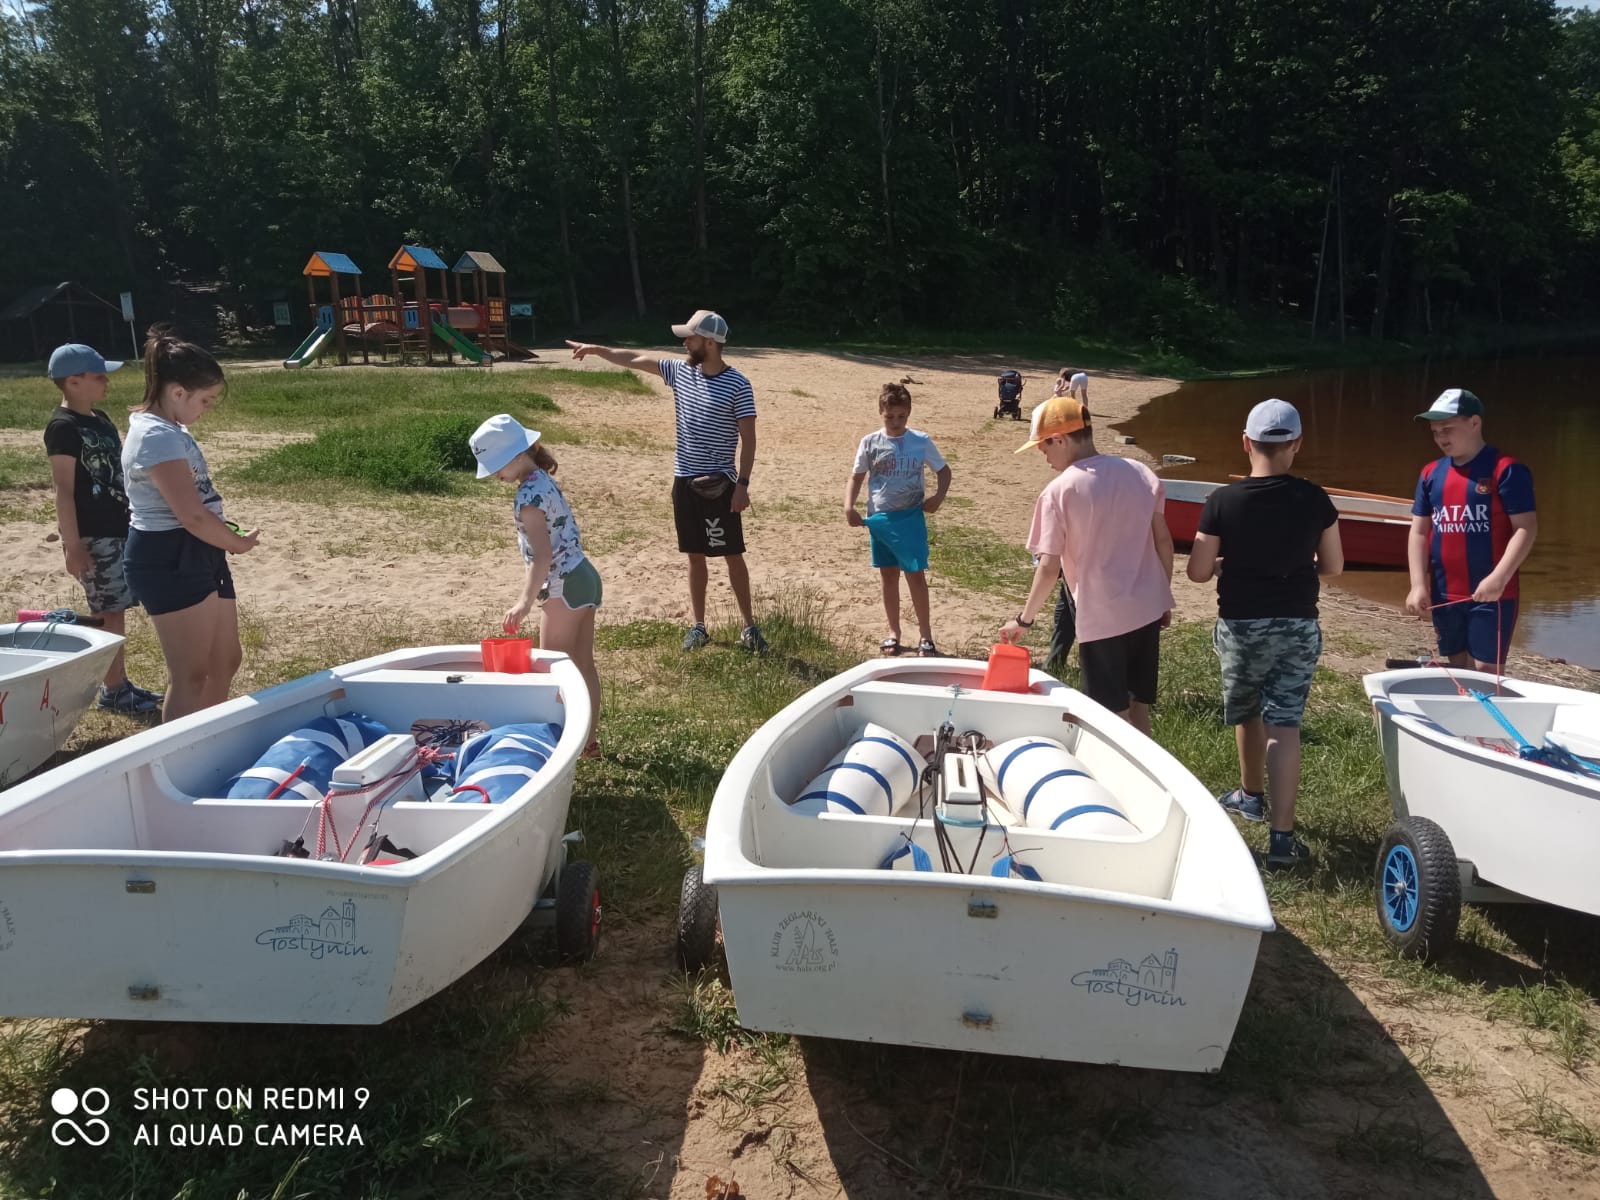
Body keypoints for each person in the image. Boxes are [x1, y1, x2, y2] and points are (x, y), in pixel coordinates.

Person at [1185, 399, 1343, 869]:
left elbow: (1196, 571)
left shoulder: (1221, 501)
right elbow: (1333, 566)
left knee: (1247, 712)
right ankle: (1281, 839)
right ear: (1296, 444)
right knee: (1285, 725)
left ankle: (1251, 796)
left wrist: (1221, 564)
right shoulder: (1315, 499)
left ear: (1245, 442)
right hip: (1296, 623)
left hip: (1241, 623)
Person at [566, 311, 766, 653]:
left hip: (721, 484)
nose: (684, 342)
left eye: (689, 337)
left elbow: (749, 440)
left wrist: (742, 486)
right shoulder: (680, 371)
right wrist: (597, 349)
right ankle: (699, 627)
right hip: (685, 482)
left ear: (710, 342)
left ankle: (750, 627)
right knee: (694, 556)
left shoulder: (739, 385)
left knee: (732, 555)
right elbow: (635, 359)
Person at [1000, 397, 1174, 734]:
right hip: (1147, 609)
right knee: (1139, 709)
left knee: (1110, 718)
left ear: (1060, 439)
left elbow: (1050, 567)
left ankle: (1117, 781)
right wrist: (1161, 595)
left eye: (1044, 448)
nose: (1045, 457)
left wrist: (1024, 619)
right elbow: (1163, 541)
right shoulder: (1140, 472)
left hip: (1102, 617)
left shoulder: (1058, 492)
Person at [120, 328, 257, 722]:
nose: (208, 409)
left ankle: (208, 739)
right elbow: (191, 515)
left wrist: (223, 541)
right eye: (206, 400)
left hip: (198, 549)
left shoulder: (170, 430)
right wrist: (236, 543)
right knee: (190, 675)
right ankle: (179, 757)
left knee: (225, 660)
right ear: (178, 392)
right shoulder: (154, 436)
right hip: (168, 555)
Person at [471, 414, 602, 758]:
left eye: (496, 467)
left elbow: (541, 558)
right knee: (583, 666)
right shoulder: (541, 478)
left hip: (561, 585)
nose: (496, 476)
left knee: (553, 673)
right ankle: (589, 740)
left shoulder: (527, 499)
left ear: (515, 457)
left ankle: (559, 748)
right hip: (584, 577)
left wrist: (524, 602)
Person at [42, 343, 162, 714]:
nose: (106, 381)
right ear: (74, 382)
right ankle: (113, 690)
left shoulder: (101, 418)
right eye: (98, 376)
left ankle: (118, 685)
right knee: (109, 612)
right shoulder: (63, 428)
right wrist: (72, 545)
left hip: (120, 527)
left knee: (117, 609)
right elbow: (64, 490)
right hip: (94, 535)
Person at [1404, 388, 1537, 672]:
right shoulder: (1430, 473)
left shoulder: (1506, 469)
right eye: (1435, 431)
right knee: (1458, 669)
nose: (1441, 437)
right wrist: (1418, 585)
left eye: (1448, 429)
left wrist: (1499, 578)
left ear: (1475, 423)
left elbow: (1526, 528)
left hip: (1492, 593)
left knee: (1484, 673)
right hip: (1444, 593)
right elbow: (1418, 533)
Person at [844, 382, 952, 657]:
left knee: (915, 575)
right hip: (880, 519)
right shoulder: (870, 442)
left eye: (901, 416)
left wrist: (938, 497)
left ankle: (926, 635)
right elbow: (857, 477)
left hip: (910, 519)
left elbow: (943, 471)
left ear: (909, 413)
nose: (895, 422)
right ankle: (894, 632)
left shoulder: (920, 441)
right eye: (889, 416)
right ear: (881, 412)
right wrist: (849, 506)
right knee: (888, 575)